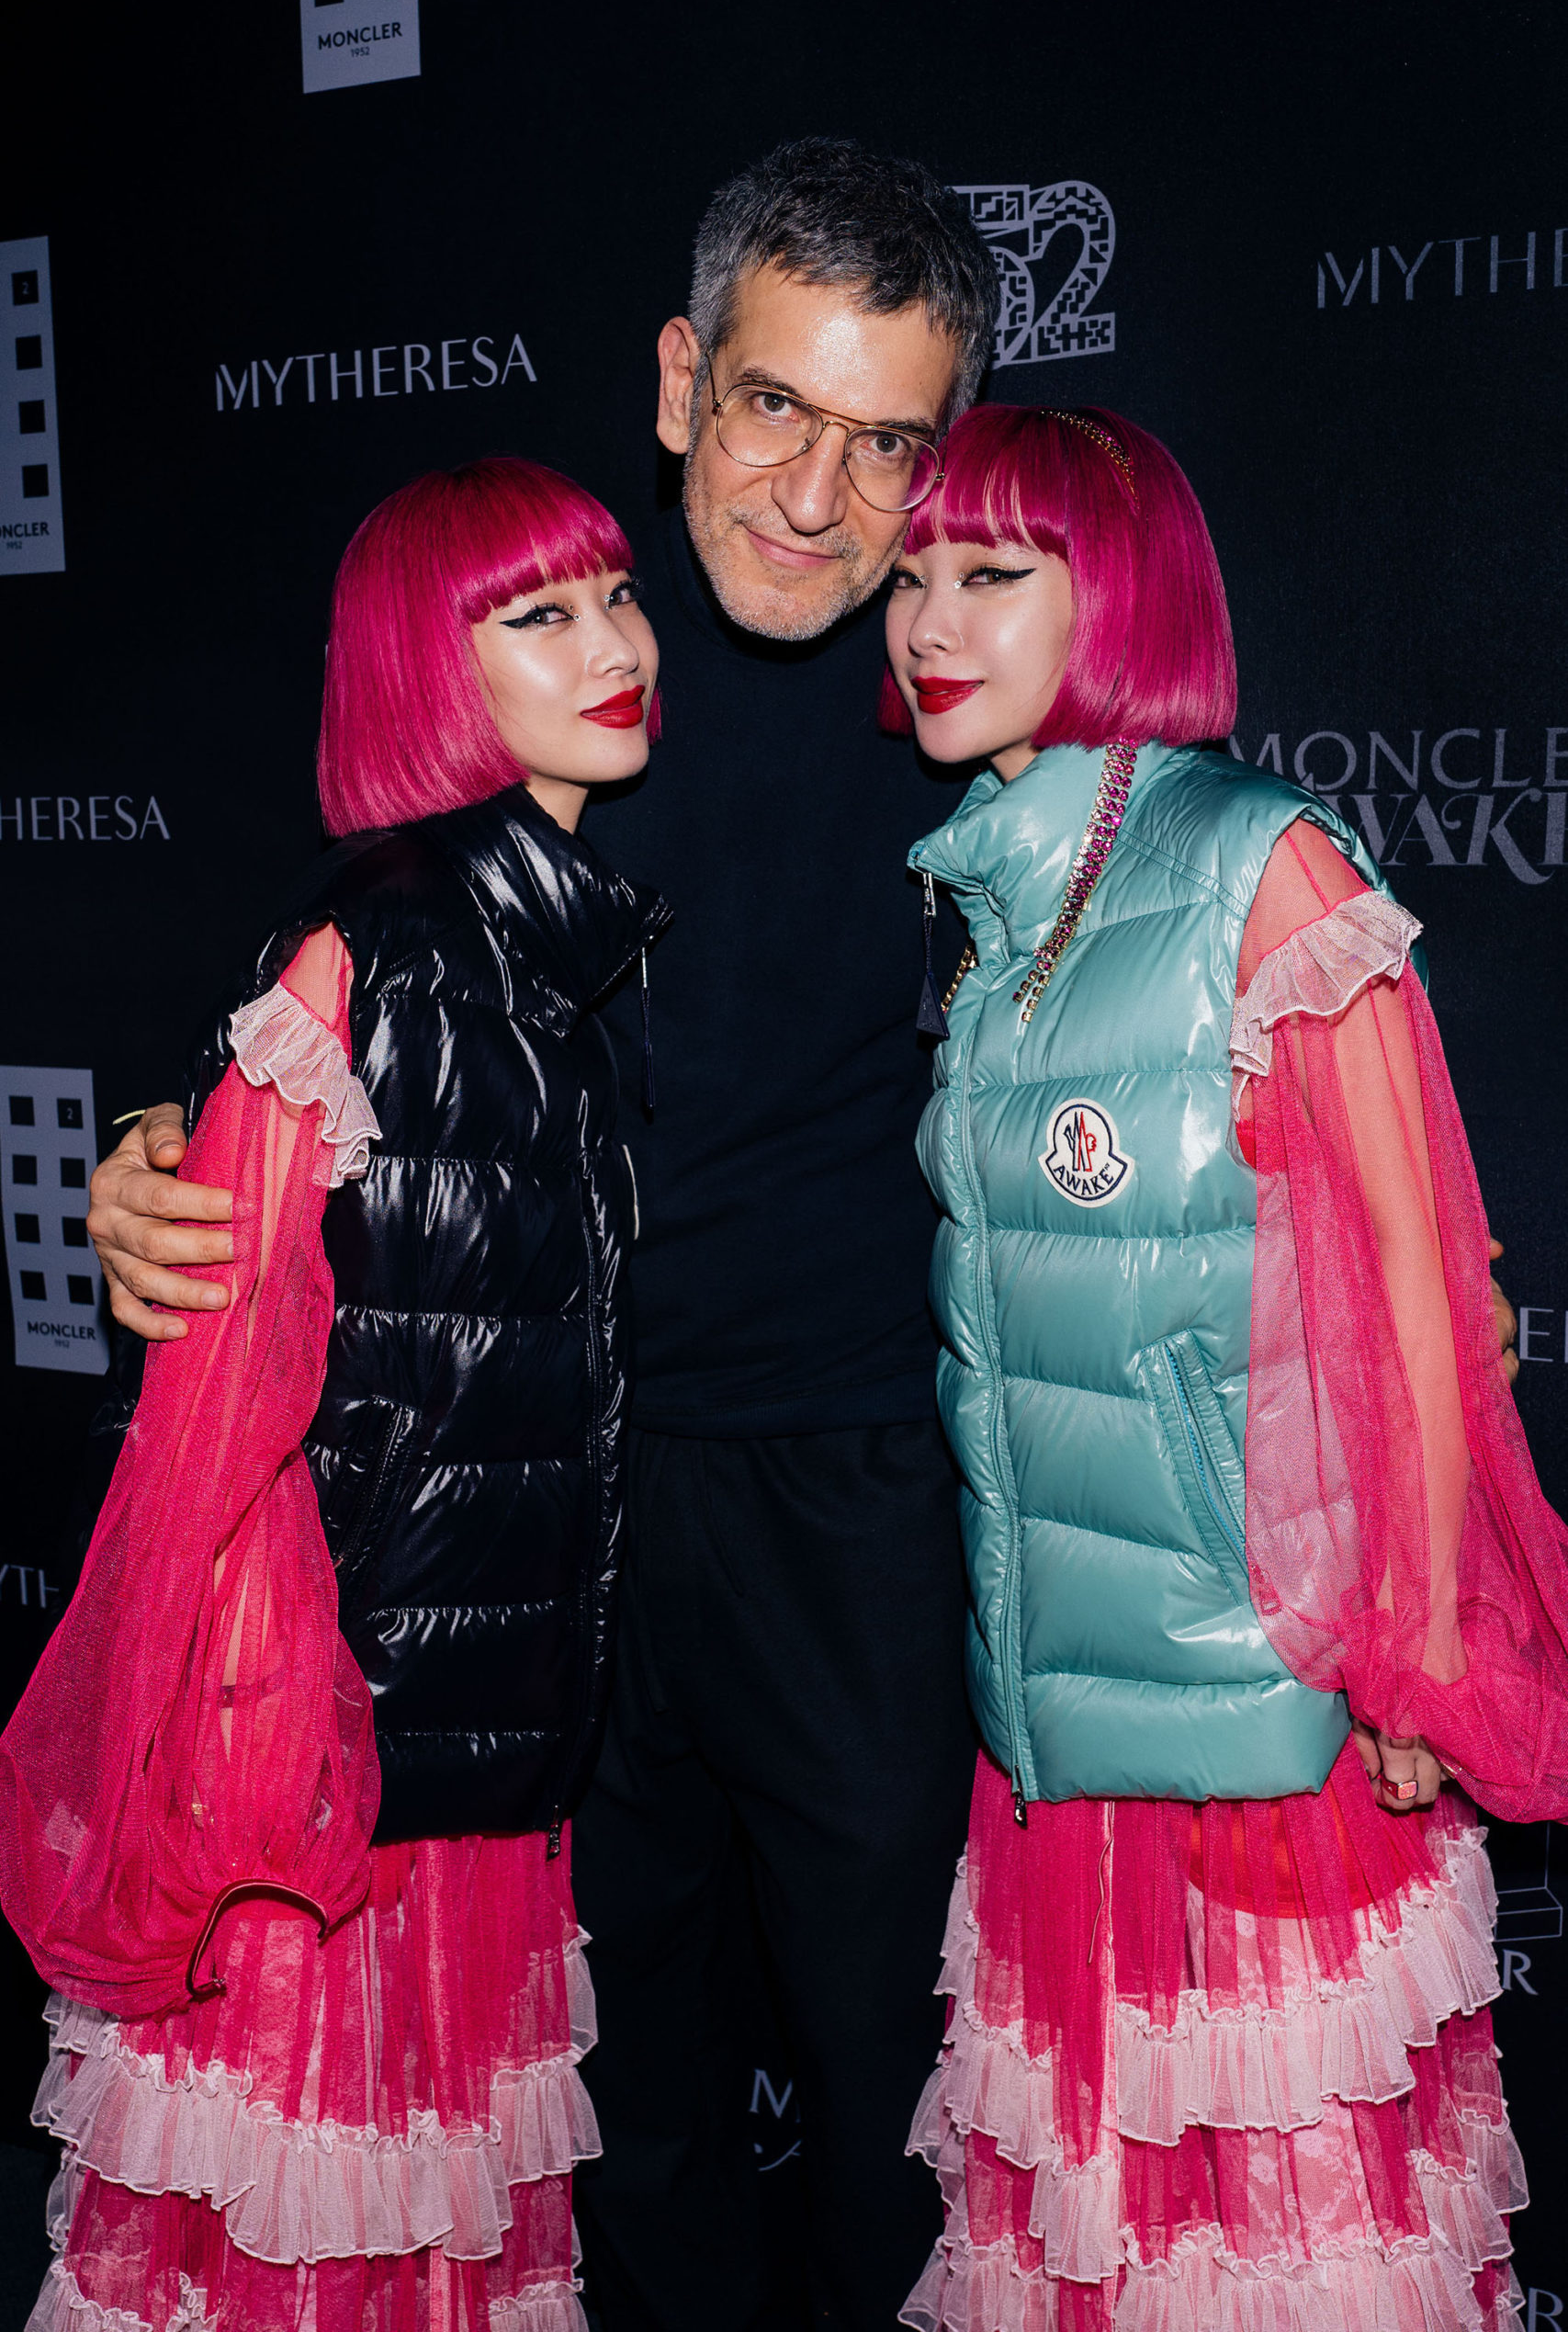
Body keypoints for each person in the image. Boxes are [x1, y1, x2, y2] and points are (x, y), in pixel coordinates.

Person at [77, 142, 1519, 2326]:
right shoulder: (548, 647)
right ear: (681, 381)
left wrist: (1401, 1369)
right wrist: (156, 1149)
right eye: (772, 408)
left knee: (894, 2106)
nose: (820, 500)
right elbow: (338, 970)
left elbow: (1234, 1028)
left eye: (888, 445)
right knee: (613, 2107)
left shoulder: (978, 690)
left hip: (874, 1505)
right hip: (554, 1510)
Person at [882, 402, 1568, 2329]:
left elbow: (1423, 1298)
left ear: (1117, 597)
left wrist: (1414, 1644)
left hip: (1264, 1703)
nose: (930, 620)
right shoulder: (987, 895)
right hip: (1051, 1734)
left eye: (993, 574)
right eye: (915, 575)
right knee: (1109, 2256)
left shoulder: (1259, 864)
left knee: (1289, 2254)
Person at [0, 457, 668, 2332]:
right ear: (424, 667)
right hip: (338, 1772)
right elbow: (212, 1406)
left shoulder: (566, 956)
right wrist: (243, 1735)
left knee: (413, 2244)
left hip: (477, 1756)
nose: (612, 645)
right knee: (295, 2242)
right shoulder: (373, 946)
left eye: (615, 595)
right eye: (539, 615)